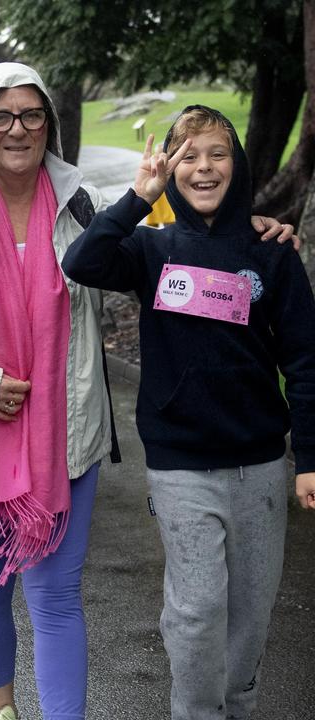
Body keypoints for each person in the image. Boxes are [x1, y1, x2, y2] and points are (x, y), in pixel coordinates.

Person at [0, 64, 294, 720]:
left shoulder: (83, 210)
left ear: (49, 123)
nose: (17, 129)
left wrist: (259, 234)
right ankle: (0, 710)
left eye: (30, 114)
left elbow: (178, 248)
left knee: (55, 596)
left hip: (64, 437)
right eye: (1, 116)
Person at [61, 106, 315, 720]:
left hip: (259, 465)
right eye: (188, 156)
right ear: (172, 166)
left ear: (239, 163)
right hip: (180, 465)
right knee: (198, 609)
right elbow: (82, 262)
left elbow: (306, 360)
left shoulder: (271, 251)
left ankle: (238, 705)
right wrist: (140, 197)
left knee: (251, 613)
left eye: (217, 153)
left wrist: (309, 458)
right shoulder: (151, 247)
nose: (203, 168)